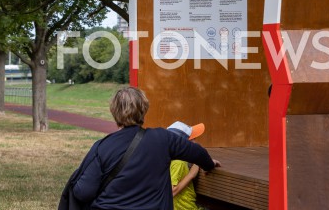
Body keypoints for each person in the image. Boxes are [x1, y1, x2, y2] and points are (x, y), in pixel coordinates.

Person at [69, 86, 221, 210]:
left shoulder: (102, 147)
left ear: (113, 112)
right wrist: (208, 164)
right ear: (144, 109)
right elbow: (198, 153)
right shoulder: (163, 139)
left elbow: (83, 192)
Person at [167, 121, 210, 210]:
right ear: (184, 144)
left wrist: (202, 162)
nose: (196, 141)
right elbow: (171, 192)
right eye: (193, 139)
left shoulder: (168, 158)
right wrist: (191, 175)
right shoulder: (179, 162)